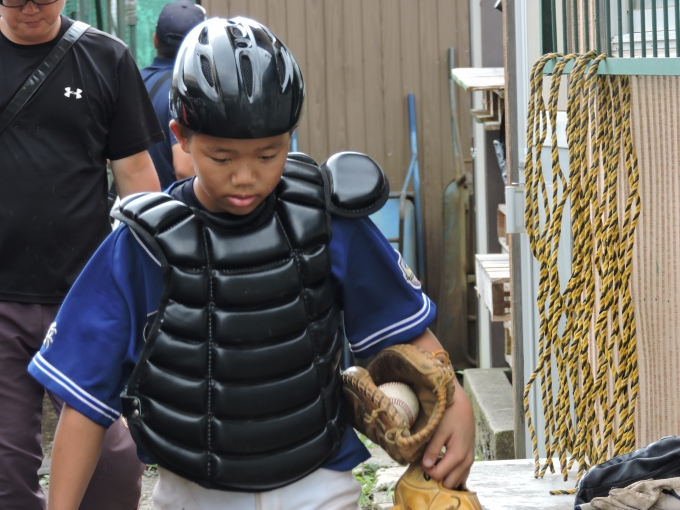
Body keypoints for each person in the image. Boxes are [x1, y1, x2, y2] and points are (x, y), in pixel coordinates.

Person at [29, 17, 476, 510]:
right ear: (181, 136)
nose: (245, 177)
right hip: (193, 495)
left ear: (290, 134)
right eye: (222, 157)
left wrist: (456, 403)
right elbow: (84, 399)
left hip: (319, 488)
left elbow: (404, 334)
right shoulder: (142, 245)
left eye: (268, 154)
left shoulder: (325, 220)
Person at [0, 0, 165, 508]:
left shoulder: (105, 57)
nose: (30, 9)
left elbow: (135, 173)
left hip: (85, 298)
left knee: (114, 460)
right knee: (6, 469)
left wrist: (158, 271)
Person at [141, 0, 205, 190]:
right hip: (172, 205)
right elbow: (185, 170)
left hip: (135, 204)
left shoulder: (133, 80)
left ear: (155, 40)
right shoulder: (188, 89)